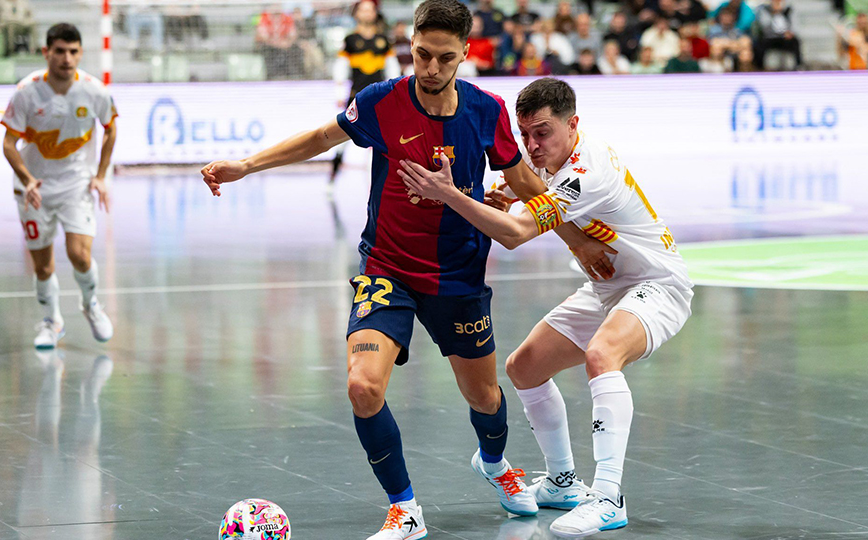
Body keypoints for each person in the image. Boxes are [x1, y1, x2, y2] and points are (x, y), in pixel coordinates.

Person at [200, 2, 616, 538]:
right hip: (387, 268)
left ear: (466, 53)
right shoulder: (381, 102)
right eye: (422, 55)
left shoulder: (486, 113)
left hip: (458, 275)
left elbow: (533, 189)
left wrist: (578, 240)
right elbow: (321, 139)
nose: (431, 69)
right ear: (410, 45)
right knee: (362, 387)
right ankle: (405, 508)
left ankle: (494, 464)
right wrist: (247, 165)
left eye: (445, 58)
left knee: (485, 398)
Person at [398, 76, 693, 538]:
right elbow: (536, 197)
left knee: (602, 355)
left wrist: (450, 195)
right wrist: (514, 198)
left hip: (658, 285)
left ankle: (609, 497)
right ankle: (561, 482)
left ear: (573, 125)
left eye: (543, 133)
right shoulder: (560, 160)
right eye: (525, 134)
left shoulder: (586, 173)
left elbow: (515, 234)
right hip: (608, 287)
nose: (532, 146)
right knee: (524, 367)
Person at [0, 23, 117, 349]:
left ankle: (91, 304)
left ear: (80, 53)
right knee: (43, 265)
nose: (67, 58)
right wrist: (27, 179)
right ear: (46, 52)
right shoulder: (27, 92)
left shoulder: (94, 90)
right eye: (60, 51)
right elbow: (9, 144)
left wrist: (100, 174)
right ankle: (52, 322)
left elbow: (110, 128)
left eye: (73, 51)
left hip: (76, 184)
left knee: (79, 254)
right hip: (33, 189)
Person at [330, 0, 398, 185]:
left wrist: (394, 89)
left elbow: (392, 67)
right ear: (356, 14)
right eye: (363, 10)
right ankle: (332, 178)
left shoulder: (383, 40)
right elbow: (341, 67)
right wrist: (338, 92)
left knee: (382, 137)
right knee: (343, 136)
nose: (367, 13)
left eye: (370, 10)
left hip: (379, 96)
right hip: (356, 95)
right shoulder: (350, 40)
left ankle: (377, 182)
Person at [753, 0, 801, 69]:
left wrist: (789, 33)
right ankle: (759, 67)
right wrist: (774, 13)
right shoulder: (764, 9)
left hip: (785, 38)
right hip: (770, 38)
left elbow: (795, 27)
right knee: (759, 44)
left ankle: (798, 66)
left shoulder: (789, 10)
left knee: (795, 42)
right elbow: (764, 27)